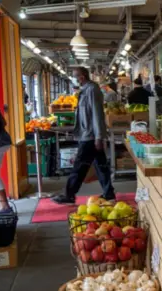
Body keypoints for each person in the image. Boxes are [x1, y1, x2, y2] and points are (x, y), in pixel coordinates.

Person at [52, 67, 115, 204]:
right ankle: (109, 193)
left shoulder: (92, 89)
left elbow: (97, 113)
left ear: (82, 76)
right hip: (88, 134)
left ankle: (69, 195)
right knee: (101, 165)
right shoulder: (85, 90)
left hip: (90, 136)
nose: (75, 79)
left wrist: (98, 136)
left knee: (79, 166)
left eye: (76, 76)